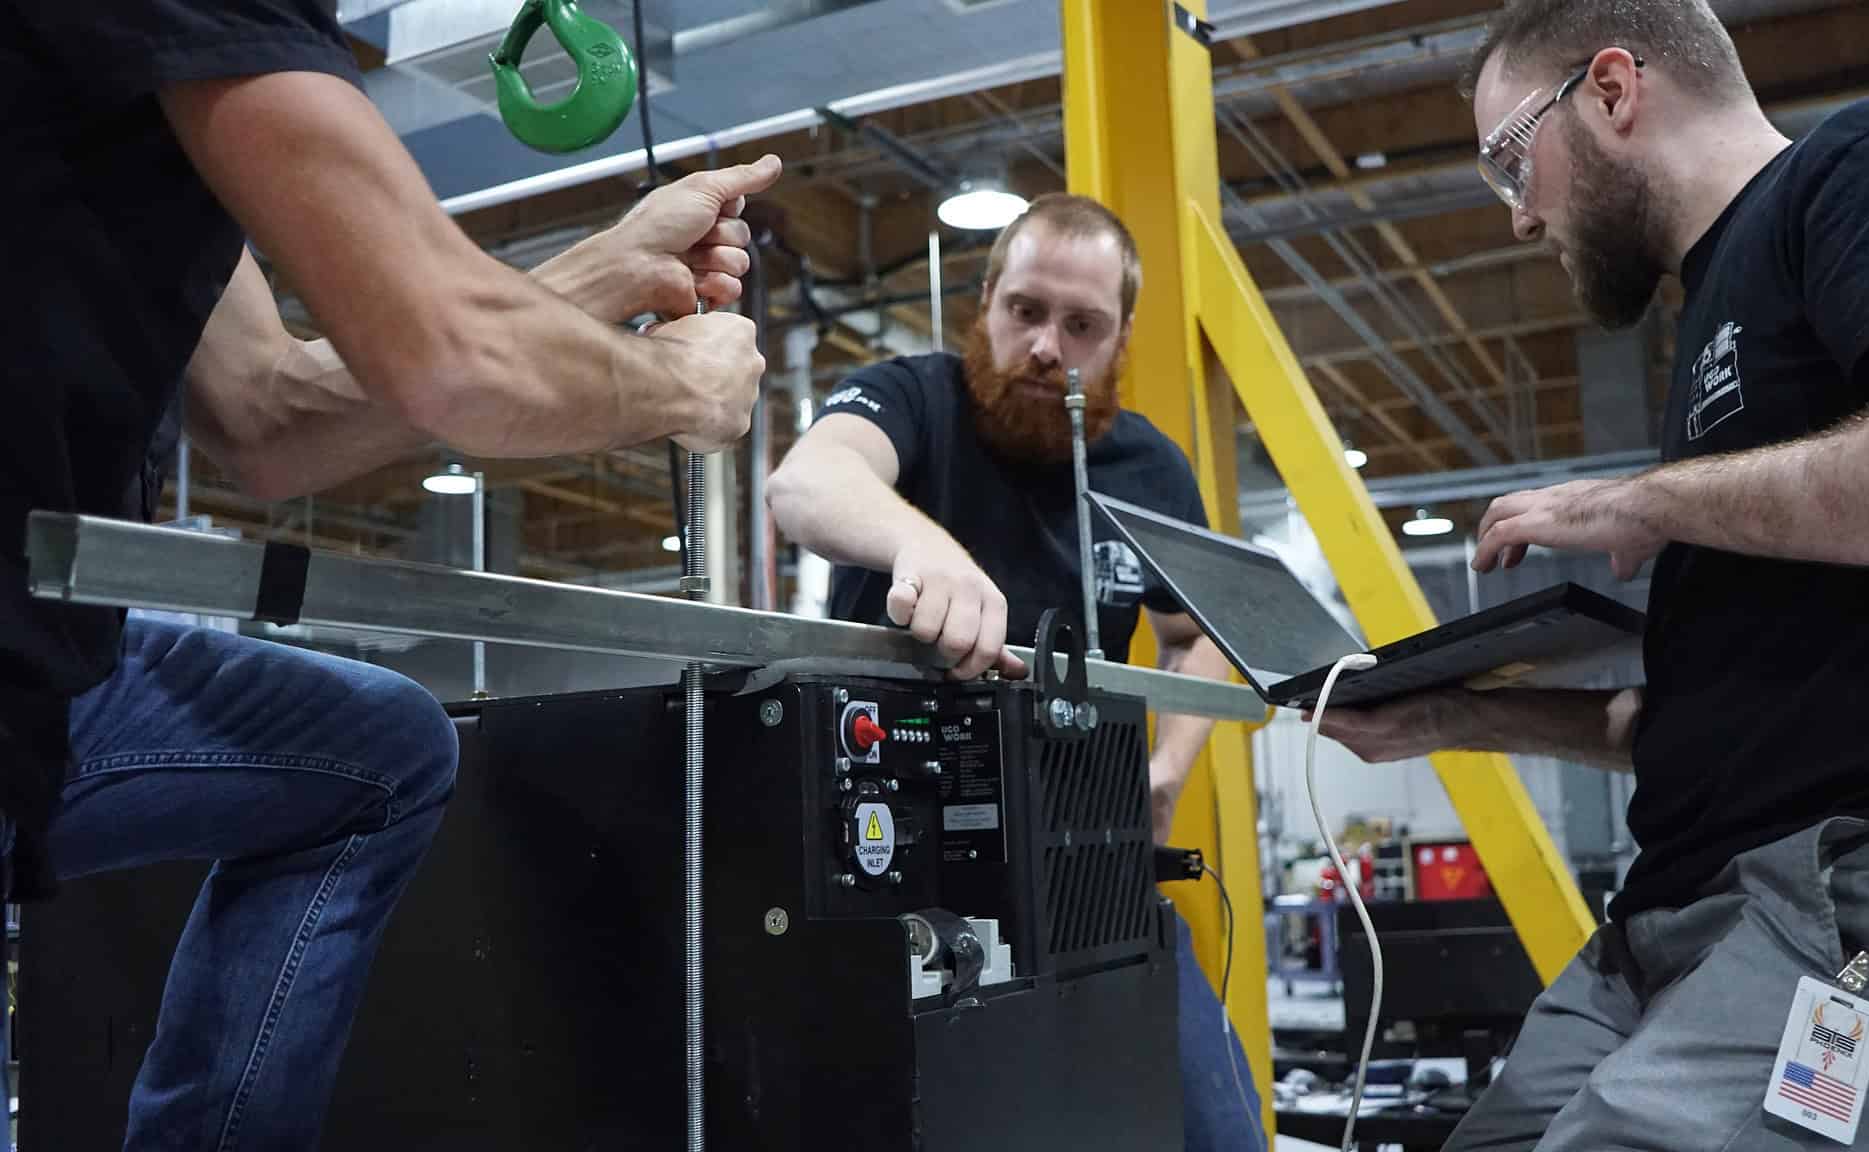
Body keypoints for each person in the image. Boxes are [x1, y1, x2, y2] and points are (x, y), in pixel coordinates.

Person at [5, 1, 780, 1146]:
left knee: (376, 755)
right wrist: (683, 393)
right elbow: (449, 353)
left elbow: (269, 409)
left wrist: (611, 272)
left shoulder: (150, 81)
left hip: (39, 672)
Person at [1318, 1, 1869, 1148]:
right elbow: (1738, 718)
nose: (1517, 216)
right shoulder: (1714, 329)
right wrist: (1459, 714)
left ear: (1610, 89)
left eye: (1510, 158)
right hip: (1678, 922)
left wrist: (1640, 499)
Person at [766, 193, 1263, 1150]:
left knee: (1218, 1132)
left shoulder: (1149, 470)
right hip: (891, 873)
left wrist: (1168, 769)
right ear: (985, 302)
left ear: (1118, 341)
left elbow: (1201, 632)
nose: (1046, 346)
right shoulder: (911, 399)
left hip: (1089, 871)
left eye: (1083, 325)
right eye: (1026, 311)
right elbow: (806, 483)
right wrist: (928, 553)